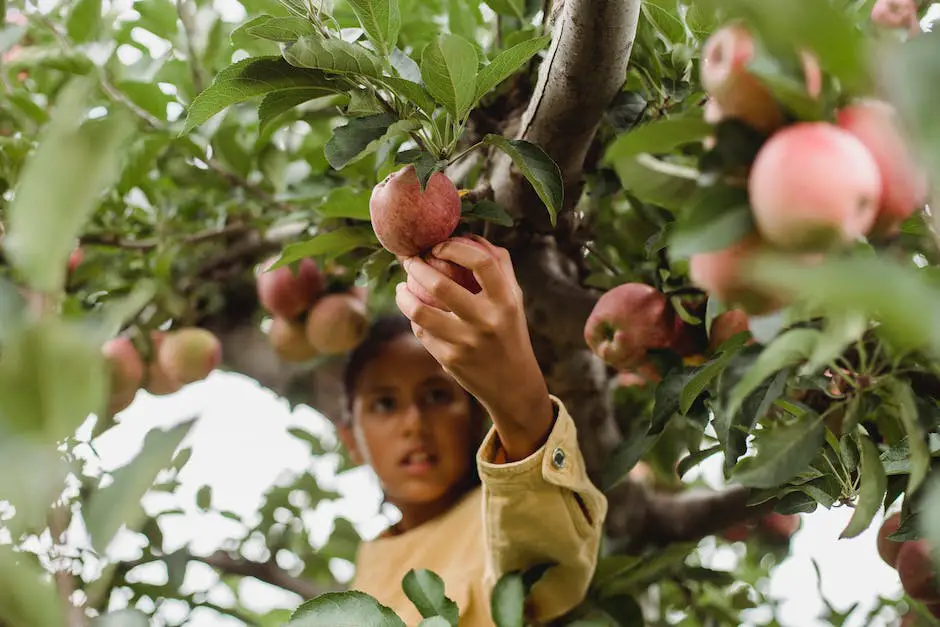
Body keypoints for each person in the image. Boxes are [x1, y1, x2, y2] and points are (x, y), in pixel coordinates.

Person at [336, 234, 608, 626]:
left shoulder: (499, 514)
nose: (414, 423)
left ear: (474, 414)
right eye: (384, 404)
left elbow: (543, 551)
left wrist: (520, 401)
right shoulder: (361, 580)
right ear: (351, 441)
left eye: (436, 396)